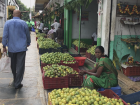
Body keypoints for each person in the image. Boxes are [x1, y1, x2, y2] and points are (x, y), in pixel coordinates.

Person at [2, 10, 31, 89]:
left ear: (13, 15)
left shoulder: (7, 23)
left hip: (11, 48)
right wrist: (28, 42)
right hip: (21, 48)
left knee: (13, 65)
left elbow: (5, 36)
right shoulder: (23, 23)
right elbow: (27, 34)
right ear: (20, 14)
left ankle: (15, 79)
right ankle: (17, 83)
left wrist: (4, 46)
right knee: (20, 66)